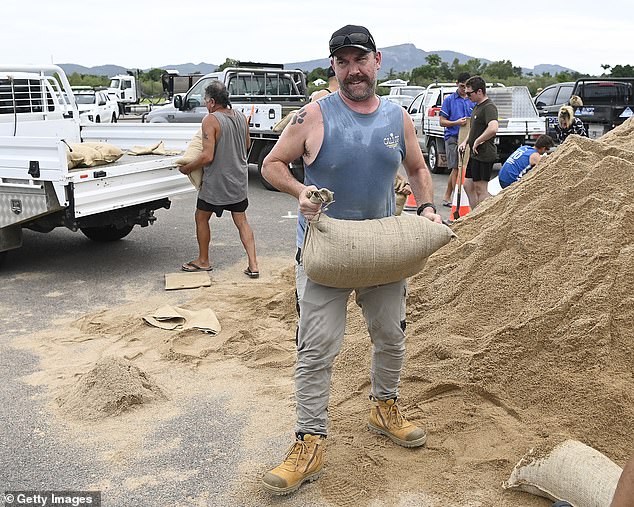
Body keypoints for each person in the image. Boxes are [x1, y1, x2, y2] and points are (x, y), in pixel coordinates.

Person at [260, 24, 442, 495]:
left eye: (359, 59)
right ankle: (310, 441)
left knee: (391, 337)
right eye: (342, 62)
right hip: (326, 251)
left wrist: (425, 207)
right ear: (334, 67)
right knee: (316, 349)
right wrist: (301, 192)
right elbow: (271, 165)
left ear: (377, 61)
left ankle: (384, 407)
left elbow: (419, 169)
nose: (352, 70)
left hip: (382, 251)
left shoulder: (398, 118)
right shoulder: (313, 115)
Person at [178, 82, 259, 277]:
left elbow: (207, 156)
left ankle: (203, 261)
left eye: (206, 101)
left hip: (217, 182)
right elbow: (247, 144)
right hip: (238, 180)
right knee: (241, 221)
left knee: (201, 216)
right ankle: (254, 265)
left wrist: (186, 168)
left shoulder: (211, 119)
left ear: (213, 102)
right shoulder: (240, 116)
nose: (206, 105)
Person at [439, 72, 474, 206]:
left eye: (466, 87)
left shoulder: (472, 99)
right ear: (456, 84)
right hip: (453, 137)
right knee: (456, 168)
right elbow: (442, 121)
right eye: (461, 86)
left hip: (467, 137)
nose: (464, 90)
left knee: (461, 168)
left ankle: (447, 196)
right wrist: (456, 122)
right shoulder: (449, 100)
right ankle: (456, 199)